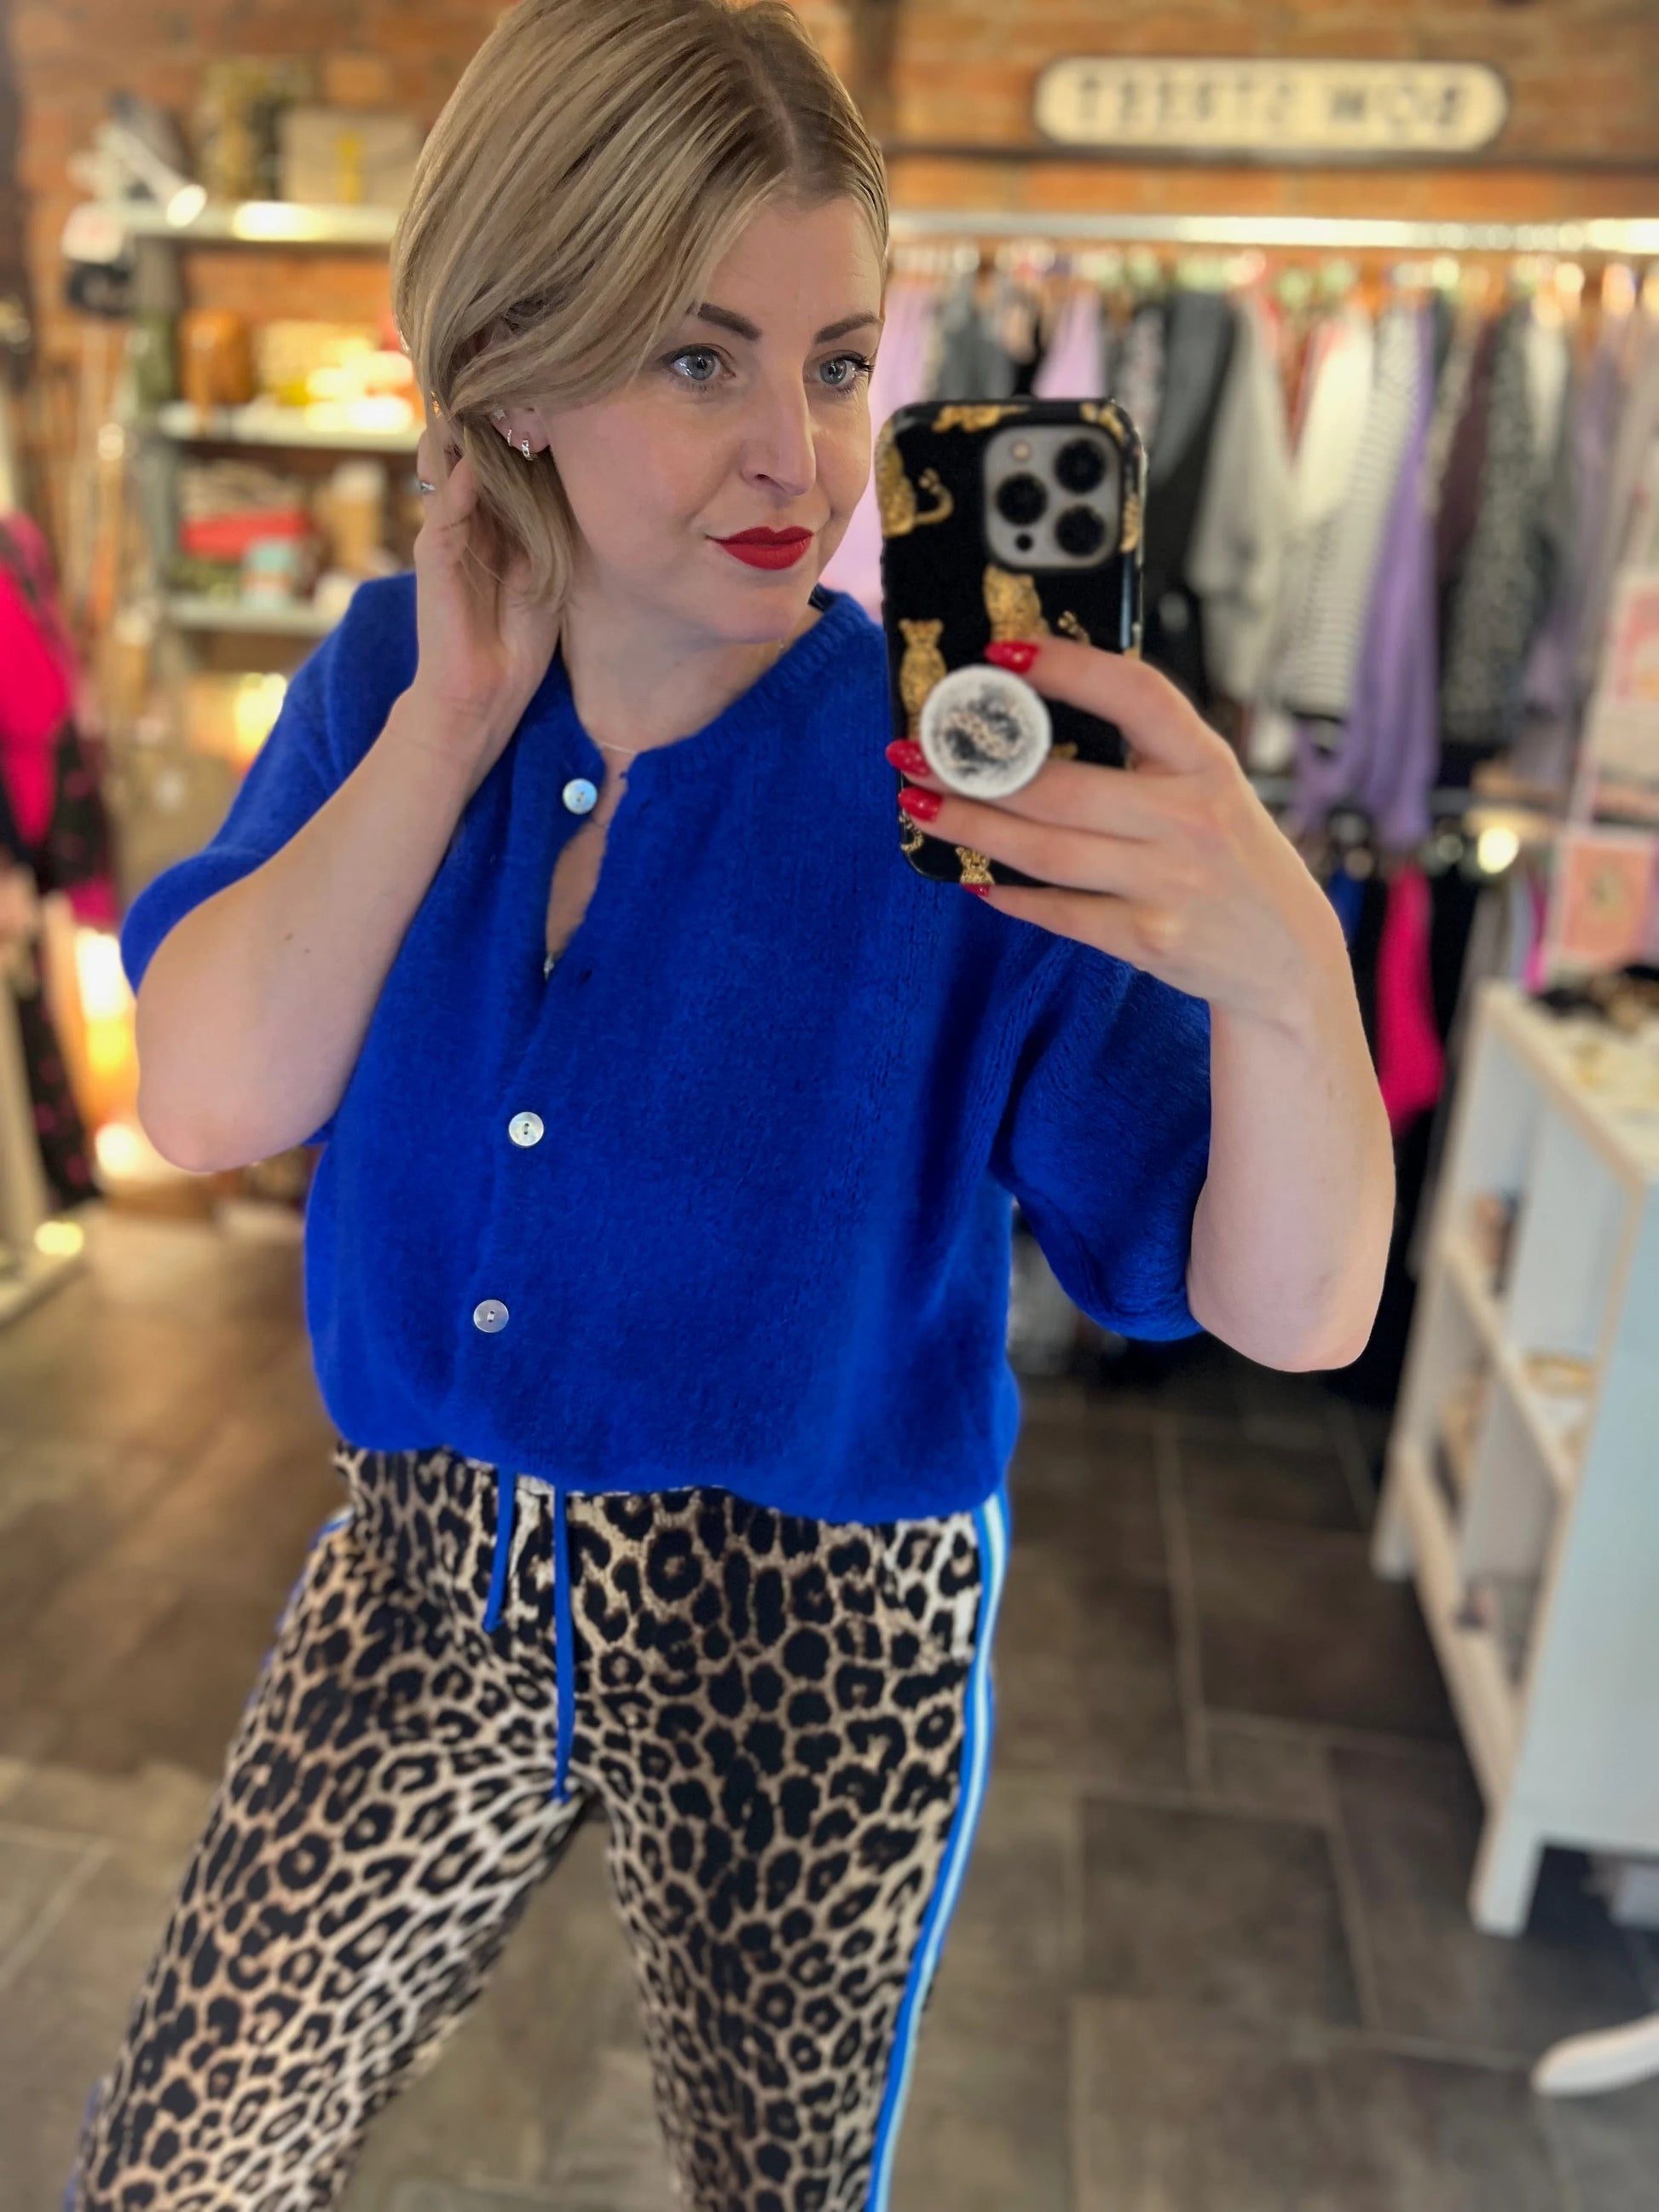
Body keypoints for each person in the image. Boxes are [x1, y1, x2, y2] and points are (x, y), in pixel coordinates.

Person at [67, 3, 1393, 2207]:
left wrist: (1286, 974)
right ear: (509, 365)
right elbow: (204, 1100)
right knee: (179, 2163)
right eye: (699, 360)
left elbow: (1286, 1308)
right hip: (432, 1558)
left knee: (774, 2187)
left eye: (838, 360)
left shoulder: (960, 783)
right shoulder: (392, 675)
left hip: (810, 1613)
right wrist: (449, 722)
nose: (798, 452)